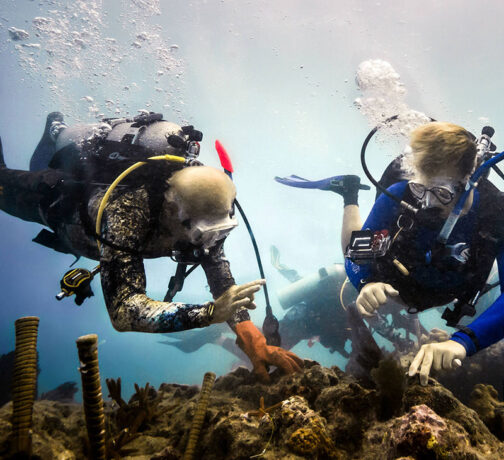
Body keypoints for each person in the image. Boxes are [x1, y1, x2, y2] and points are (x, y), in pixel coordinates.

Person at [0, 111, 303, 384]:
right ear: (173, 213)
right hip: (56, 207)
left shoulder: (207, 210)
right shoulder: (128, 211)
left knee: (44, 163)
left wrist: (249, 334)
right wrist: (209, 313)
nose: (209, 247)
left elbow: (219, 273)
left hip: (94, 231)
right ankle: (56, 135)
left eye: (218, 235)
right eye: (203, 237)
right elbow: (124, 310)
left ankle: (56, 135)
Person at [343, 122, 504, 385]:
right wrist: (366, 282)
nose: (426, 204)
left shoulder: (496, 216)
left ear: (469, 184)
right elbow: (358, 253)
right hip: (391, 278)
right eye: (420, 188)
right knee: (352, 243)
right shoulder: (400, 193)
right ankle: (349, 196)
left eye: (441, 192)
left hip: (445, 291)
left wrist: (463, 342)